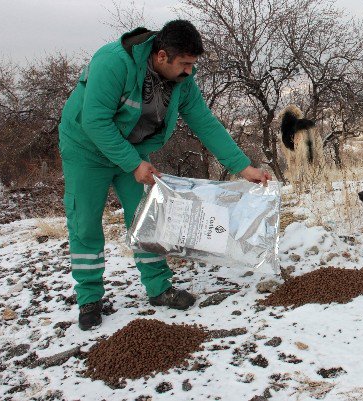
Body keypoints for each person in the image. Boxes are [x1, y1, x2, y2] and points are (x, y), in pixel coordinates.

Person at [58, 20, 271, 331]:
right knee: (85, 223)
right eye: (184, 64)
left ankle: (159, 288)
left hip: (131, 151)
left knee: (147, 218)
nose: (189, 71)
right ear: (161, 56)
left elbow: (205, 123)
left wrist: (243, 166)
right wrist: (134, 163)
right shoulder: (112, 63)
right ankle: (89, 298)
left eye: (192, 64)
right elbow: (95, 121)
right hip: (86, 150)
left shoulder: (183, 82)